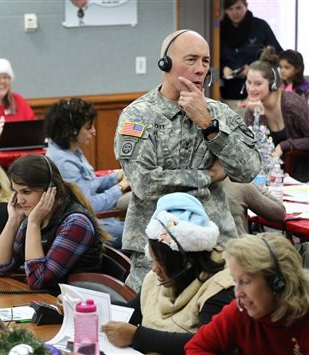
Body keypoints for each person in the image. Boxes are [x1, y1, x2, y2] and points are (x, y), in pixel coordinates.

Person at [114, 29, 261, 291]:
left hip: (215, 245)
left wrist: (208, 126)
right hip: (157, 248)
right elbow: (145, 183)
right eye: (191, 59)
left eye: (205, 61)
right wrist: (207, 175)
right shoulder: (137, 116)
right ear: (165, 64)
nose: (200, 69)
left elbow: (248, 169)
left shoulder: (217, 113)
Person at [101, 193, 234, 354]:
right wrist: (85, 307)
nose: (154, 268)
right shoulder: (158, 279)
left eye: (161, 262)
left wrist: (137, 336)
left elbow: (206, 343)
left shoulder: (219, 288)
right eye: (153, 258)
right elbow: (130, 313)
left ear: (187, 262)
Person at [0, 154, 107, 292]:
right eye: (16, 192)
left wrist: (33, 224)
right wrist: (13, 221)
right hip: (48, 302)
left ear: (50, 189)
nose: (19, 200)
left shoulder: (75, 223)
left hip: (76, 309)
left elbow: (38, 281)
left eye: (26, 192)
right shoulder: (34, 215)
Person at [185, 232, 309, 354]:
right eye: (235, 281)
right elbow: (196, 347)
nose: (237, 293)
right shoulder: (240, 312)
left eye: (245, 281)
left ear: (278, 282)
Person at [45, 98, 130, 248]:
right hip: (86, 224)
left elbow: (89, 185)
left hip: (91, 219)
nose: (93, 131)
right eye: (88, 127)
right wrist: (121, 187)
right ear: (72, 131)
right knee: (138, 232)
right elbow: (90, 206)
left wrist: (116, 177)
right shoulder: (63, 162)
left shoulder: (70, 150)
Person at [244, 46, 309, 181]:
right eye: (249, 82)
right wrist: (260, 116)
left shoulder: (291, 103)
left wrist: (283, 146)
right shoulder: (251, 110)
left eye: (258, 84)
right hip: (270, 179)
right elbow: (255, 149)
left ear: (273, 84)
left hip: (302, 176)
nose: (251, 88)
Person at [220, 0, 282, 110]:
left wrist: (255, 69)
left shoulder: (260, 26)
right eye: (230, 9)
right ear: (225, 10)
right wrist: (223, 69)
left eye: (238, 8)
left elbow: (277, 55)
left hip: (258, 96)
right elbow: (212, 59)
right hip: (228, 95)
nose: (235, 12)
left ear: (246, 6)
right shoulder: (218, 29)